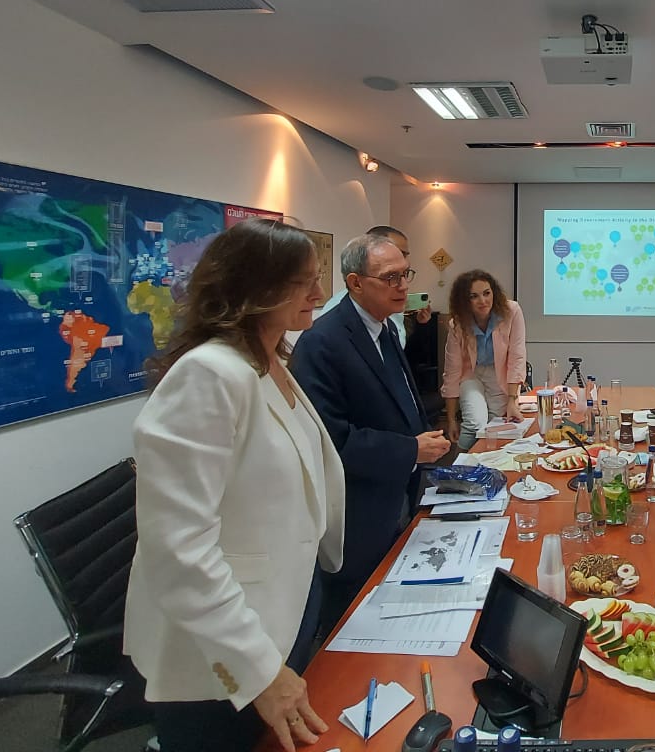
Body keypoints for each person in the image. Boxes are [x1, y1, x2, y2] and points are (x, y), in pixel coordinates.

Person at [123, 219, 346, 752]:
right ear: (257, 288)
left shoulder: (270, 361)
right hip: (223, 647)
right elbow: (179, 549)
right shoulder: (208, 374)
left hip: (286, 606)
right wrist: (259, 670)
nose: (320, 295)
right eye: (304, 282)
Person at [291, 234, 451, 630]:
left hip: (399, 495)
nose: (403, 286)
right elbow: (331, 441)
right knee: (350, 626)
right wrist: (409, 450)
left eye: (405, 275)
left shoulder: (386, 328)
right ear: (356, 283)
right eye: (390, 278)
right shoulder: (322, 342)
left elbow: (402, 400)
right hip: (357, 516)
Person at [440, 270, 527, 451]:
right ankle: (460, 463)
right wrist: (451, 419)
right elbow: (452, 370)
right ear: (464, 301)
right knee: (475, 423)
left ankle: (488, 464)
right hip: (471, 375)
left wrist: (512, 399)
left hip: (500, 374)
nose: (483, 301)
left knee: (495, 426)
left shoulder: (511, 311)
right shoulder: (457, 324)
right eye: (474, 296)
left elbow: (516, 357)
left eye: (487, 293)